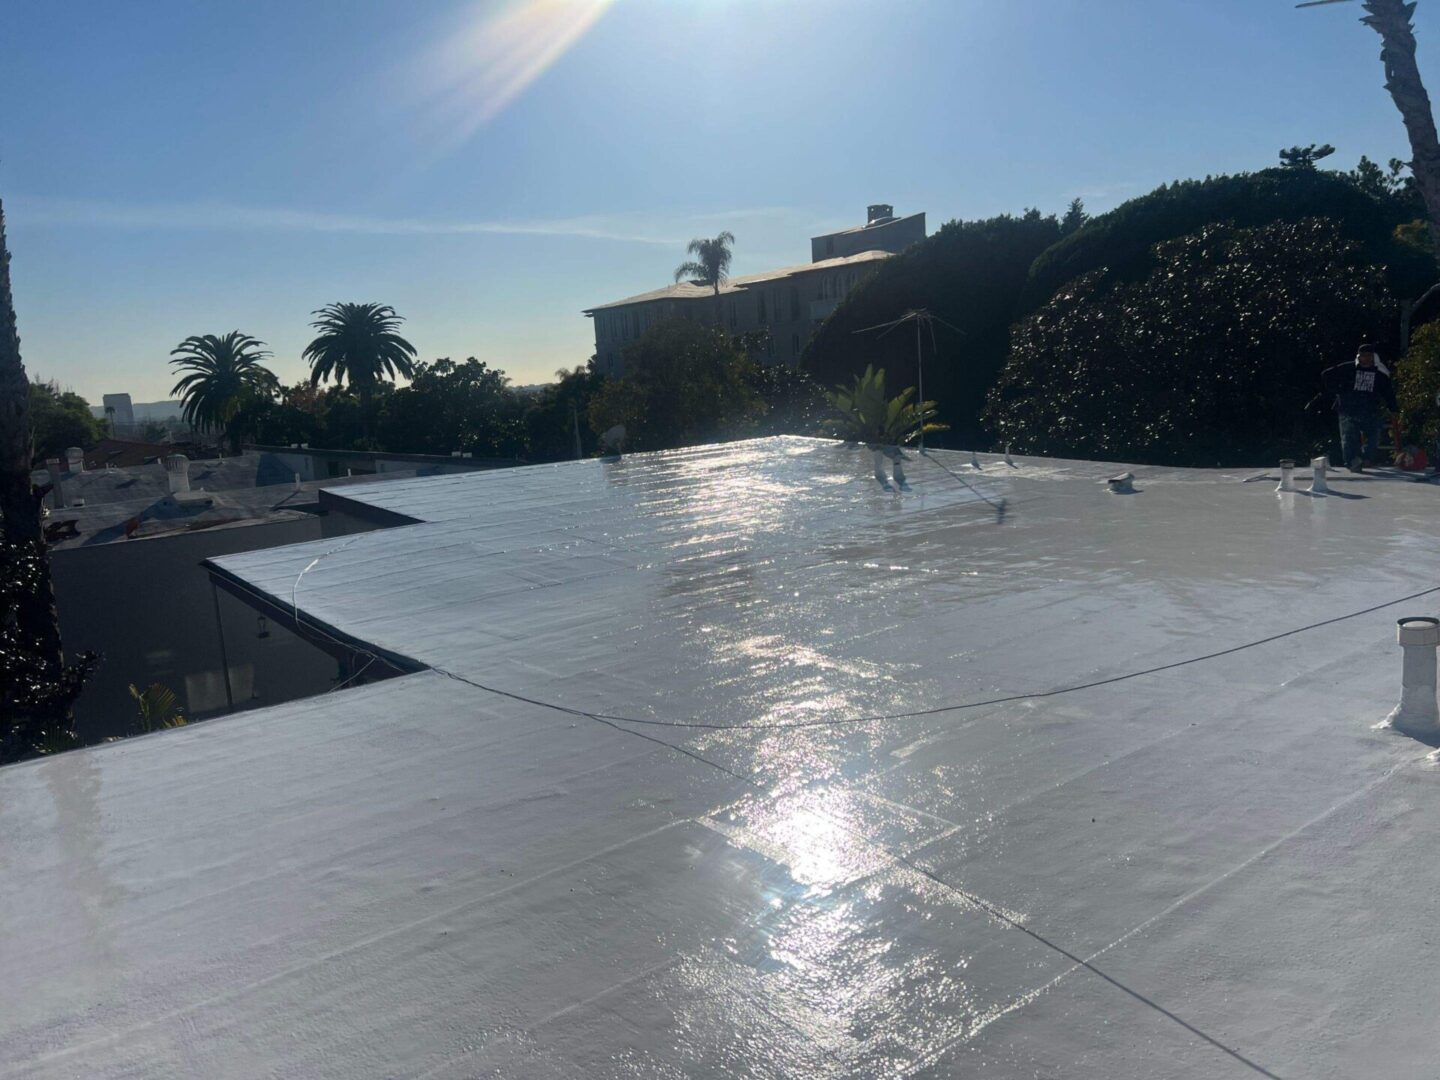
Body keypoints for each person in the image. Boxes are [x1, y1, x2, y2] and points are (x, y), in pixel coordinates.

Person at [1321, 343, 1397, 472]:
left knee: (1374, 435)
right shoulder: (1348, 368)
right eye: (1363, 356)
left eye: (1369, 356)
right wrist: (1338, 390)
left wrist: (1393, 408)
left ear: (1373, 357)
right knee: (1349, 437)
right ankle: (1352, 461)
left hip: (1369, 409)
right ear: (1359, 356)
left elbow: (1388, 392)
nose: (1366, 358)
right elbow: (1326, 374)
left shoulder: (1379, 373)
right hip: (1348, 409)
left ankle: (1366, 458)